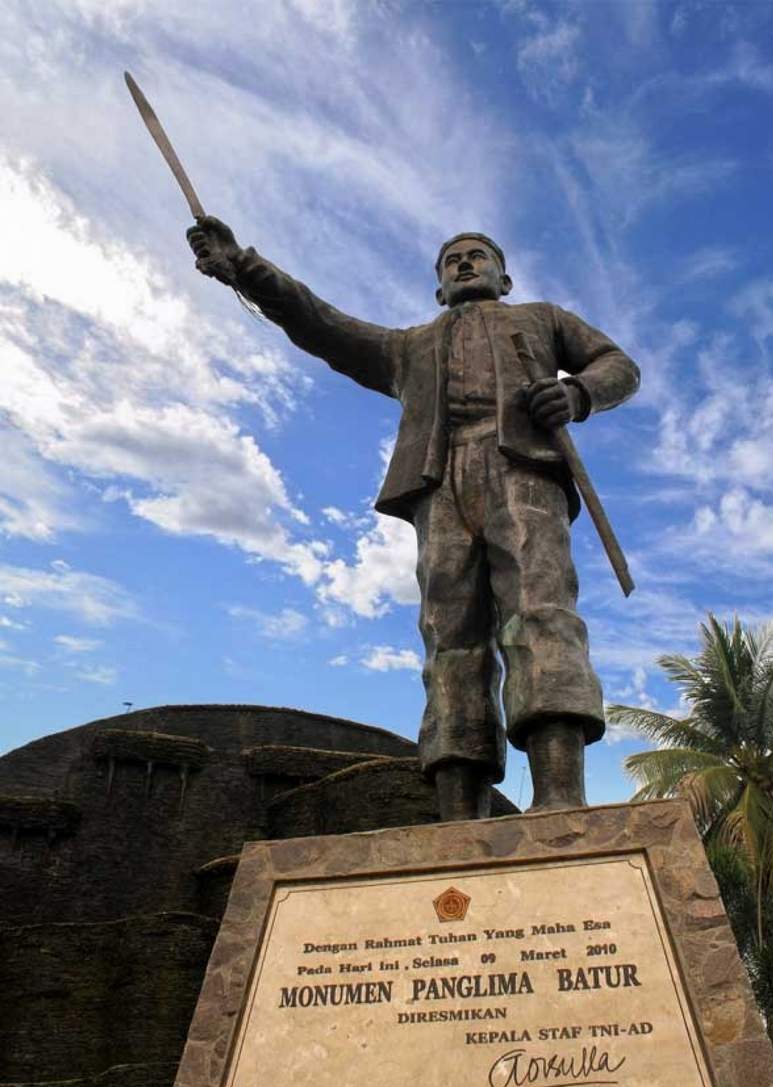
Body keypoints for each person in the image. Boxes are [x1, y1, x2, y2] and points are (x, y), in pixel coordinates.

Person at [187, 218, 639, 820]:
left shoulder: (543, 318)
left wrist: (579, 393)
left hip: (522, 468)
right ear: (438, 289)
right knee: (448, 637)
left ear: (505, 279)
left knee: (540, 612)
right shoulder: (408, 347)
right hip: (438, 482)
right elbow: (321, 323)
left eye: (477, 256)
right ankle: (459, 810)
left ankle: (559, 795)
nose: (464, 263)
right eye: (452, 260)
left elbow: (617, 364)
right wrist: (245, 269)